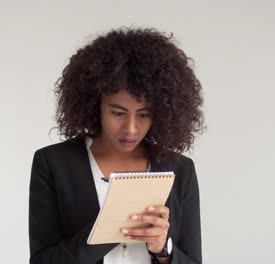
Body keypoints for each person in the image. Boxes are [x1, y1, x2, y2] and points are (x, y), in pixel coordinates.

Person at [29, 27, 205, 264]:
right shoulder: (53, 163)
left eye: (144, 114)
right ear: (95, 104)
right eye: (117, 112)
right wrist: (109, 228)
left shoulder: (180, 170)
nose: (130, 128)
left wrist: (163, 249)